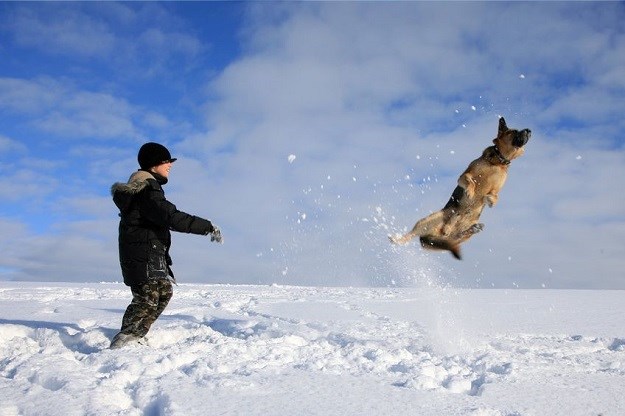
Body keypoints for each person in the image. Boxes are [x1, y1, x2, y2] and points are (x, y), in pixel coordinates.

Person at [109, 142, 222, 349]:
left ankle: (136, 334)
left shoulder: (148, 188)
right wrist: (206, 226)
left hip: (149, 253)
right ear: (153, 165)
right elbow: (171, 216)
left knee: (163, 292)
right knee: (148, 296)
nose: (170, 165)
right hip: (143, 254)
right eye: (166, 161)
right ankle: (125, 339)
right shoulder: (147, 190)